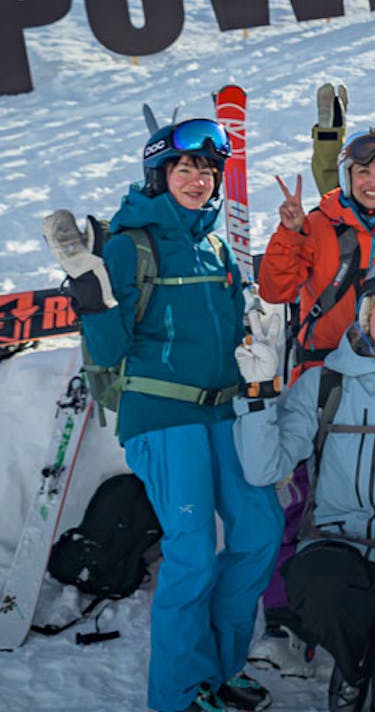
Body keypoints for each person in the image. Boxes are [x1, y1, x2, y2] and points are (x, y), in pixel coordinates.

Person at [67, 117, 283, 712]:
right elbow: (110, 347)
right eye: (186, 168)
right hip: (163, 415)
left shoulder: (215, 244)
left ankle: (219, 669)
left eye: (208, 171)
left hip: (224, 413)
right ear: (159, 174)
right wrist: (92, 299)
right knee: (191, 552)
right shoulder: (131, 244)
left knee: (260, 530)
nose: (199, 180)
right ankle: (178, 694)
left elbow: (232, 330)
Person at [252, 125, 375, 675]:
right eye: (363, 172)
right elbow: (274, 288)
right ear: (346, 175)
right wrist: (290, 232)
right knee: (298, 500)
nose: (373, 182)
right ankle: (285, 620)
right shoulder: (317, 222)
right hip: (322, 380)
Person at [233, 258, 375, 712]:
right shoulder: (322, 384)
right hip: (334, 552)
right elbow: (264, 470)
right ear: (367, 311)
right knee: (321, 586)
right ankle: (353, 665)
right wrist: (258, 393)